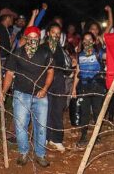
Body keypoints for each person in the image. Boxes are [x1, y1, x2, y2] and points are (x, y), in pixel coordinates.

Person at [0, 26, 54, 167]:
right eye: (31, 37)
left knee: (41, 126)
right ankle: (23, 153)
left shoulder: (46, 52)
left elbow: (50, 72)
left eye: (36, 38)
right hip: (21, 94)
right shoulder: (17, 53)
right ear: (26, 38)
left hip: (40, 96)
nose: (33, 40)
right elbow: (9, 74)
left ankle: (40, 155)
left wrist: (45, 89)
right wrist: (3, 93)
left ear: (39, 39)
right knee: (20, 125)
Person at [71, 32, 106, 147]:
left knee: (97, 111)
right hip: (84, 87)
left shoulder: (98, 53)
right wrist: (74, 89)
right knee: (84, 112)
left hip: (97, 86)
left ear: (94, 41)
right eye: (85, 40)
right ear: (82, 42)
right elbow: (77, 72)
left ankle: (97, 135)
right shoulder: (79, 55)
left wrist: (104, 43)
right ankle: (84, 136)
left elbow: (111, 56)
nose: (87, 42)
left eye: (90, 39)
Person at [45, 23, 67, 153]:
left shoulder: (60, 49)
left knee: (58, 110)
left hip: (58, 81)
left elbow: (64, 67)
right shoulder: (41, 48)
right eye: (54, 32)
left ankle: (57, 139)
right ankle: (46, 137)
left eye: (58, 33)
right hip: (45, 82)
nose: (56, 35)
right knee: (45, 110)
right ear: (48, 33)